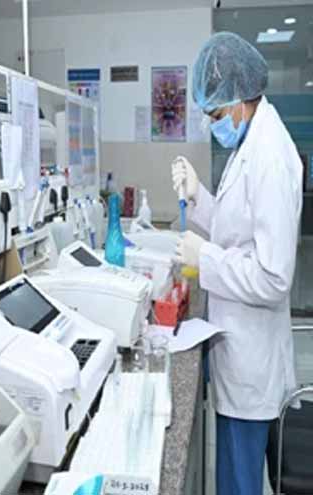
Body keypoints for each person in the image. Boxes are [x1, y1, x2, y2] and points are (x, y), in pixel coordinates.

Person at [171, 32, 301, 495]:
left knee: (238, 486)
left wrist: (204, 259)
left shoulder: (269, 158)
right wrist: (198, 196)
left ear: (241, 98)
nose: (213, 125)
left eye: (216, 114)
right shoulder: (252, 139)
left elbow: (273, 276)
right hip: (240, 349)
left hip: (251, 367)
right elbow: (237, 227)